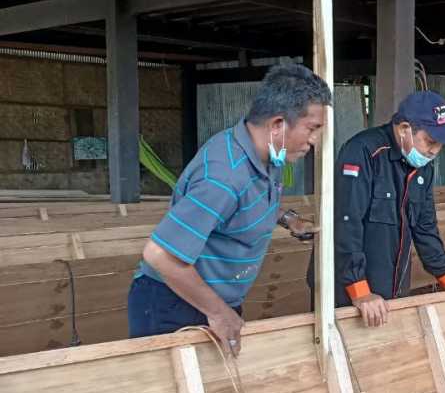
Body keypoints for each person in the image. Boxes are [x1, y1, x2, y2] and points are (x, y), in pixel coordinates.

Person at [130, 64, 329, 354]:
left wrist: (288, 219)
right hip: (175, 304)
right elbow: (159, 255)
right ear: (277, 124)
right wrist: (220, 313)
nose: (314, 140)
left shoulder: (267, 156)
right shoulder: (223, 176)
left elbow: (246, 204)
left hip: (213, 300)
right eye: (312, 129)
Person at [332, 91, 445, 327]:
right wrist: (359, 290)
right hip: (348, 290)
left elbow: (425, 227)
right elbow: (346, 223)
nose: (434, 151)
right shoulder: (362, 152)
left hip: (391, 285)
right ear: (404, 129)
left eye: (440, 145)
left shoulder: (422, 166)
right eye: (430, 141)